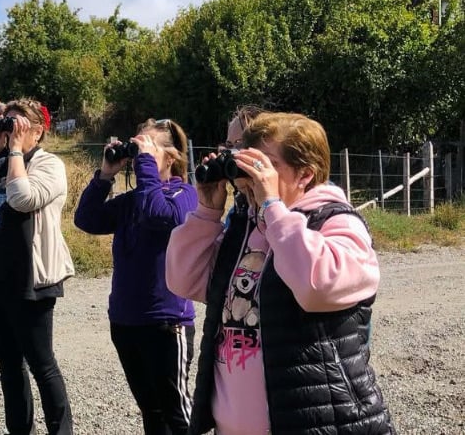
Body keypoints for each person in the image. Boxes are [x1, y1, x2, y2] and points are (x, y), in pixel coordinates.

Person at [166, 112, 395, 434]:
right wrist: (206, 212)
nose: (251, 172)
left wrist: (273, 206)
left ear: (304, 175)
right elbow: (183, 281)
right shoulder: (248, 225)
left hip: (317, 422)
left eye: (264, 164)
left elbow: (317, 286)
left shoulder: (337, 222)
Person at [0, 99, 75, 435]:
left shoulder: (49, 164)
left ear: (39, 130)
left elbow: (23, 198)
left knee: (41, 364)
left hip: (29, 279)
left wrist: (17, 151)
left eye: (17, 124)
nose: (10, 130)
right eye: (7, 123)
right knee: (8, 366)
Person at [73, 118, 198, 434]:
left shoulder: (185, 195)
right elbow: (87, 219)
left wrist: (143, 163)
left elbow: (159, 214)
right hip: (126, 320)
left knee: (177, 416)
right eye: (136, 146)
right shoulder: (133, 200)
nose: (138, 153)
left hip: (167, 322)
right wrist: (104, 175)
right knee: (151, 412)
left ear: (170, 157)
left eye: (147, 147)